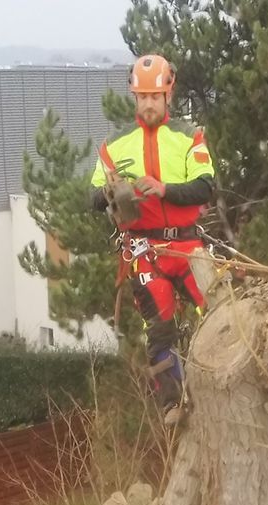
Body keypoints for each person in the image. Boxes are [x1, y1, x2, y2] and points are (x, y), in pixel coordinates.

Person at [90, 54, 215, 423]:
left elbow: (206, 187)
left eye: (154, 97)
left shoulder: (189, 137)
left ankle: (223, 381)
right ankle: (172, 403)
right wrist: (113, 192)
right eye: (142, 97)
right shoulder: (114, 146)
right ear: (135, 97)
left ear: (167, 96)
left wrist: (164, 190)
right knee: (159, 328)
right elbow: (91, 197)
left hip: (187, 246)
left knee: (217, 309)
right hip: (144, 251)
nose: (148, 104)